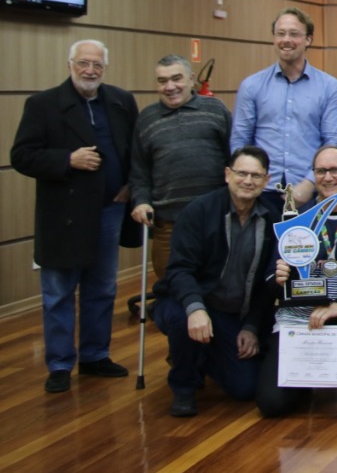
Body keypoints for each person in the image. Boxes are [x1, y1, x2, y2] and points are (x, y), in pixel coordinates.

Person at [11, 39, 139, 393]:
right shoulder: (43, 104)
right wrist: (68, 159)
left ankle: (96, 355)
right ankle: (60, 363)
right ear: (70, 64)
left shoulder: (121, 101)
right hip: (64, 216)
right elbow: (22, 156)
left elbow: (135, 149)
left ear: (104, 68)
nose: (90, 71)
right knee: (58, 292)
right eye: (83, 63)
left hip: (110, 210)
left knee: (102, 288)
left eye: (97, 65)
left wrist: (130, 183)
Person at [257, 145, 337, 415]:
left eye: (336, 170)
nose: (328, 177)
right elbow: (269, 278)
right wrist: (278, 279)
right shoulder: (293, 219)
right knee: (272, 405)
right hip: (297, 319)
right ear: (314, 174)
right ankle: (310, 377)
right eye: (321, 170)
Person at [151, 146, 278, 417]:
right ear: (227, 175)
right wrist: (195, 308)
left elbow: (268, 283)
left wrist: (252, 326)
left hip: (231, 314)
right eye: (242, 173)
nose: (248, 181)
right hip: (186, 301)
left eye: (256, 176)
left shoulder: (273, 217)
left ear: (266, 181)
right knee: (180, 318)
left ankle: (203, 355)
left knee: (245, 388)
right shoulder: (199, 211)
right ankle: (184, 386)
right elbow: (179, 270)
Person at [130, 54, 232, 279]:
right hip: (168, 223)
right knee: (172, 284)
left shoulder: (216, 109)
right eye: (162, 81)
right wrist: (141, 201)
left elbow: (233, 158)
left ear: (191, 79)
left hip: (215, 218)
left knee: (217, 283)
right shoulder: (146, 119)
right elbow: (139, 170)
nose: (170, 86)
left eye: (176, 78)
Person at [231, 7, 337, 208]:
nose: (286, 40)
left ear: (308, 39)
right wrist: (247, 180)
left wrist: (308, 184)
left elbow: (333, 143)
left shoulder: (329, 87)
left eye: (294, 34)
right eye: (280, 33)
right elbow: (241, 140)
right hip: (261, 191)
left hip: (311, 191)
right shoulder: (252, 86)